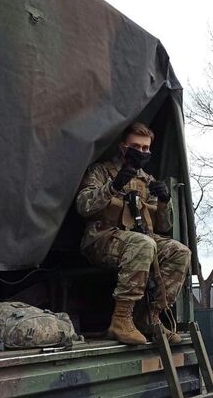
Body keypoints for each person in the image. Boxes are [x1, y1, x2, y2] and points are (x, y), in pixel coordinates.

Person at [76, 123, 191, 345]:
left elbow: (164, 227)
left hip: (139, 238)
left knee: (180, 252)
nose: (142, 152)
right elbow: (83, 206)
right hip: (102, 239)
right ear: (123, 147)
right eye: (136, 146)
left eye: (146, 148)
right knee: (143, 244)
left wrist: (165, 201)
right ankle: (121, 320)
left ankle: (149, 317)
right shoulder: (100, 171)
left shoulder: (147, 180)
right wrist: (113, 186)